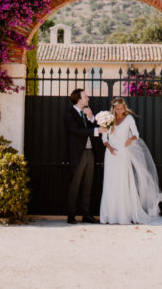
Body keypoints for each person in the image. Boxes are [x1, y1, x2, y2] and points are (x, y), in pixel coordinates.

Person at [99, 97, 162, 225]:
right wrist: (109, 148)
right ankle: (109, 215)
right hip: (110, 154)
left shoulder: (129, 119)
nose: (119, 111)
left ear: (124, 108)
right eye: (117, 109)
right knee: (110, 183)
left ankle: (124, 214)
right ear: (113, 109)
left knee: (123, 182)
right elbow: (104, 137)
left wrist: (130, 140)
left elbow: (136, 134)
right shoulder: (108, 119)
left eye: (121, 109)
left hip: (123, 153)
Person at [63, 88, 104, 224]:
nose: (88, 99)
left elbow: (94, 126)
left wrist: (91, 116)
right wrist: (96, 130)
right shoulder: (70, 114)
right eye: (85, 97)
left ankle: (86, 214)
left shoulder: (86, 112)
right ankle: (71, 215)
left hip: (90, 153)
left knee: (88, 185)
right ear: (79, 99)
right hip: (78, 154)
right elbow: (77, 130)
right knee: (75, 185)